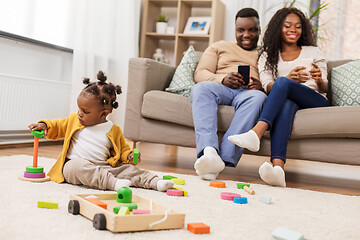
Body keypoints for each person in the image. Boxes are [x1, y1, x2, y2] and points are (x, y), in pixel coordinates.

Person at [228, 7, 330, 187]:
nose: (293, 30)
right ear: (278, 28)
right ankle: (278, 170)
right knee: (285, 103)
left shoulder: (313, 51)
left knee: (282, 83)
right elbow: (267, 86)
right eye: (288, 26)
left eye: (298, 26)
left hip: (315, 100)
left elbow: (325, 87)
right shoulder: (267, 56)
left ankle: (256, 132)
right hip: (289, 101)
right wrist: (290, 80)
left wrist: (319, 79)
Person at [28, 71, 174, 192]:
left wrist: (128, 155)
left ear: (103, 114)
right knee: (73, 168)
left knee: (128, 170)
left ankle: (155, 182)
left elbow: (122, 149)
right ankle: (113, 184)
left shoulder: (113, 129)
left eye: (85, 111)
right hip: (77, 164)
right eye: (79, 109)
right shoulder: (74, 119)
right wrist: (45, 125)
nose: (79, 113)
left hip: (104, 165)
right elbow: (57, 126)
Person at [191, 8, 267, 181]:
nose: (246, 34)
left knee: (259, 98)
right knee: (200, 88)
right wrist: (222, 79)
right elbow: (200, 73)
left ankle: (224, 158)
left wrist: (261, 86)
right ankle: (209, 152)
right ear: (235, 30)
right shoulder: (219, 47)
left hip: (248, 93)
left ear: (259, 30)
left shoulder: (266, 53)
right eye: (241, 30)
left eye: (252, 30)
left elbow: (274, 81)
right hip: (222, 88)